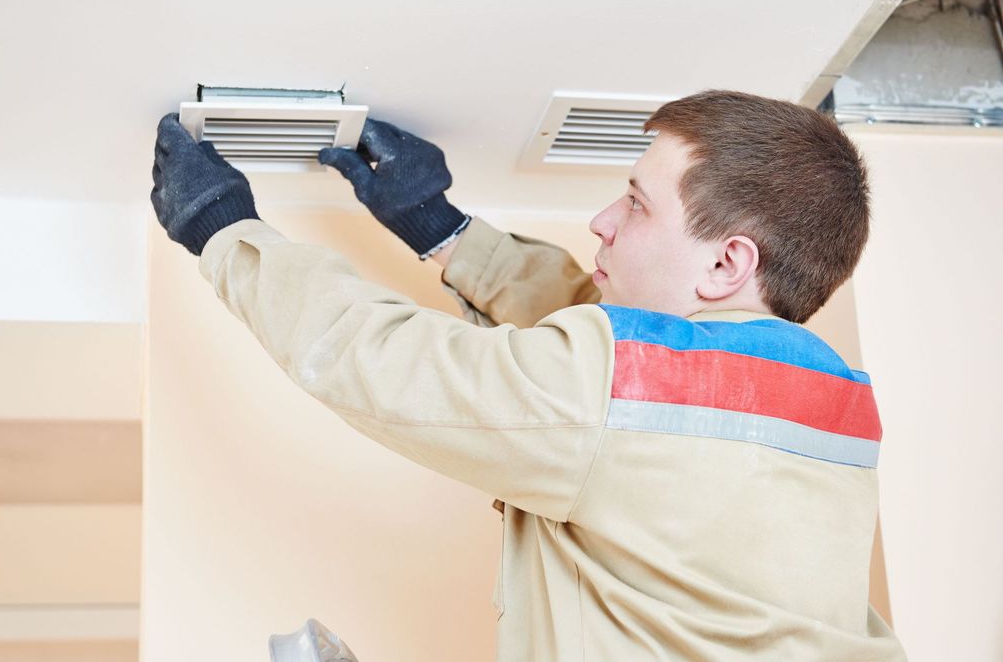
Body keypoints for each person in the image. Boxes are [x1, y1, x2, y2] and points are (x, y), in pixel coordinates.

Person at [150, 89, 906, 660]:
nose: (603, 222)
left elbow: (380, 359)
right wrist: (442, 232)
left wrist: (223, 229)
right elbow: (617, 362)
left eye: (638, 205)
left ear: (725, 262)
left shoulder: (620, 394)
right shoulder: (833, 411)